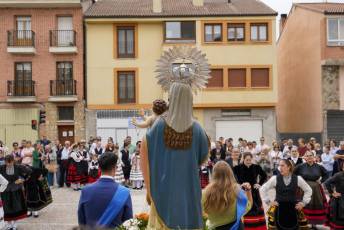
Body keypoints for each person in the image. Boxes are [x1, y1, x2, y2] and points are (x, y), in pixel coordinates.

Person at [140, 78, 210, 229]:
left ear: (172, 98)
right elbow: (203, 157)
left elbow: (144, 153)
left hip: (162, 190)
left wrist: (149, 187)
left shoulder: (158, 125)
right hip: (189, 191)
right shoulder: (197, 128)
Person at [78, 152, 133, 229]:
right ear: (115, 168)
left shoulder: (86, 190)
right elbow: (128, 222)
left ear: (99, 168)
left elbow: (81, 220)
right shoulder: (124, 192)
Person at [260, 159, 312, 230]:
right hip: (279, 209)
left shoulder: (297, 179)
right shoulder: (275, 178)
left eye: (282, 165)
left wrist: (303, 203)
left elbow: (308, 190)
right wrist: (268, 202)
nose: (280, 168)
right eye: (279, 166)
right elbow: (263, 188)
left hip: (293, 209)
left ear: (289, 167)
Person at [202, 161, 252, 230]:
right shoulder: (237, 191)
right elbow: (248, 207)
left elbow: (201, 214)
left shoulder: (205, 193)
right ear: (230, 173)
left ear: (214, 174)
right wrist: (248, 191)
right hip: (236, 227)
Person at [294, 150, 329, 227]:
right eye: (307, 156)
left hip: (316, 190)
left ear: (314, 157)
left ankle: (314, 224)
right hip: (303, 189)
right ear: (305, 158)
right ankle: (304, 223)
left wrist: (321, 181)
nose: (309, 157)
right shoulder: (301, 166)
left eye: (311, 155)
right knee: (304, 205)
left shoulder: (319, 167)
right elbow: (293, 173)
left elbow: (326, 174)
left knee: (315, 206)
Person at [233, 152, 267, 230]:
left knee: (256, 210)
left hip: (254, 193)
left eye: (250, 160)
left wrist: (259, 184)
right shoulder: (237, 168)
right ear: (243, 159)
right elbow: (233, 179)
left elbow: (264, 175)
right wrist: (239, 185)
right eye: (247, 160)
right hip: (243, 193)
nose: (248, 162)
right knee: (245, 210)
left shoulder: (256, 167)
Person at [0, 155, 29, 230]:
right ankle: (9, 224)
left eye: (10, 162)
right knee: (7, 208)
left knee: (16, 207)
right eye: (7, 162)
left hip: (16, 189)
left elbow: (29, 171)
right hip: (5, 190)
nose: (8, 164)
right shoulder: (2, 167)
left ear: (13, 161)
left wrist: (22, 179)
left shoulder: (18, 167)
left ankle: (15, 224)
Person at [323, 162, 344, 229]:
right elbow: (326, 183)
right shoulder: (338, 175)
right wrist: (332, 193)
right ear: (342, 168)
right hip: (340, 201)